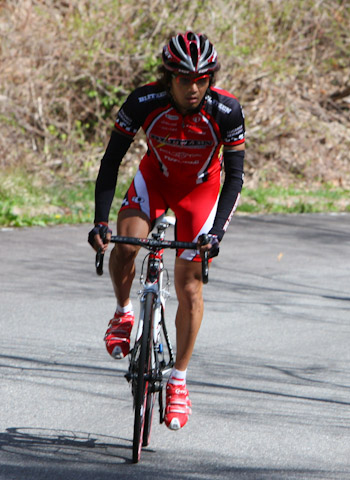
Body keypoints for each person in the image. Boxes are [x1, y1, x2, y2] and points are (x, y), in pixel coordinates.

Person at [87, 31, 245, 431]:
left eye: (202, 80)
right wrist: (100, 223)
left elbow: (235, 177)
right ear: (168, 76)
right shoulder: (143, 102)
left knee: (190, 285)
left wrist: (217, 235)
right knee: (125, 245)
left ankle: (178, 381)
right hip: (154, 181)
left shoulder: (226, 111)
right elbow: (110, 163)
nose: (193, 89)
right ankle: (123, 313)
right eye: (184, 79)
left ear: (210, 79)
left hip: (200, 193)